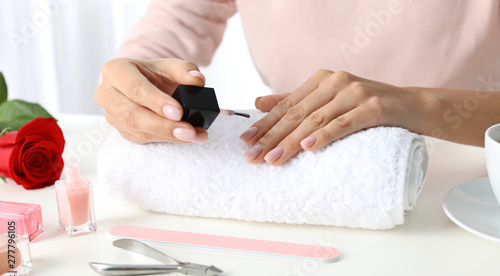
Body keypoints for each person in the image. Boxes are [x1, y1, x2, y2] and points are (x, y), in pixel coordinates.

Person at [94, 0, 500, 166]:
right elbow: (183, 17)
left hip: (471, 174)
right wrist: (137, 78)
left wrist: (421, 106)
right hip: (304, 164)